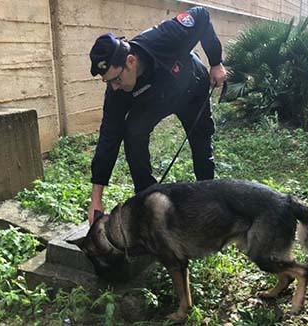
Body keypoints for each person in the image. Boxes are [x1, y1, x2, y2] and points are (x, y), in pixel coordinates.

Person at [87, 6, 227, 224]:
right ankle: (148, 201)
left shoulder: (165, 37)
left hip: (191, 88)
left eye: (116, 80)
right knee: (133, 132)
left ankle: (208, 203)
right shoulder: (117, 91)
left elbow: (201, 15)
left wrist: (216, 62)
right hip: (154, 100)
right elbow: (108, 136)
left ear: (130, 61)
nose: (114, 87)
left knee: (201, 144)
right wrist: (96, 199)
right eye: (108, 82)